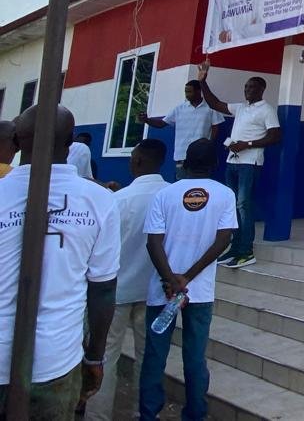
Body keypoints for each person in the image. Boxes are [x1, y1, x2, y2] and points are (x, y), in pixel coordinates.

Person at [0, 105, 120, 420]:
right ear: (70, 143)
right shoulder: (99, 201)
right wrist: (95, 357)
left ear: (16, 140)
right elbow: (103, 290)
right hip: (57, 361)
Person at [140, 138, 236, 421]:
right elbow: (223, 241)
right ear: (216, 164)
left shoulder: (165, 195)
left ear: (184, 163)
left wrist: (170, 279)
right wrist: (187, 278)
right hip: (199, 292)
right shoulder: (225, 194)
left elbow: (152, 243)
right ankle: (195, 414)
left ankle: (148, 414)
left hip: (163, 290)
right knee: (194, 358)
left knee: (155, 356)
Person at [83, 138, 169, 421]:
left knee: (106, 356)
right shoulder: (171, 197)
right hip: (155, 291)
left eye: (132, 157)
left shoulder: (118, 201)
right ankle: (143, 413)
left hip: (116, 293)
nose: (130, 161)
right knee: (149, 358)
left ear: (139, 161)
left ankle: (97, 415)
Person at [196, 58, 280, 269]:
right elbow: (215, 103)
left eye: (252, 87)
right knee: (232, 206)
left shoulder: (267, 110)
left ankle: (246, 251)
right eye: (246, 87)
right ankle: (234, 248)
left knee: (243, 205)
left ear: (262, 89)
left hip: (249, 164)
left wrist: (248, 144)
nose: (247, 90)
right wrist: (203, 81)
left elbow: (275, 136)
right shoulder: (241, 108)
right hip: (232, 162)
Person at [138, 80, 224, 180]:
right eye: (186, 92)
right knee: (181, 189)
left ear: (198, 91)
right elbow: (162, 123)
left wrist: (209, 144)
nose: (187, 95)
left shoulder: (210, 107)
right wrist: (147, 120)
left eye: (189, 92)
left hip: (201, 157)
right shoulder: (179, 109)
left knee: (198, 189)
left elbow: (215, 126)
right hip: (182, 157)